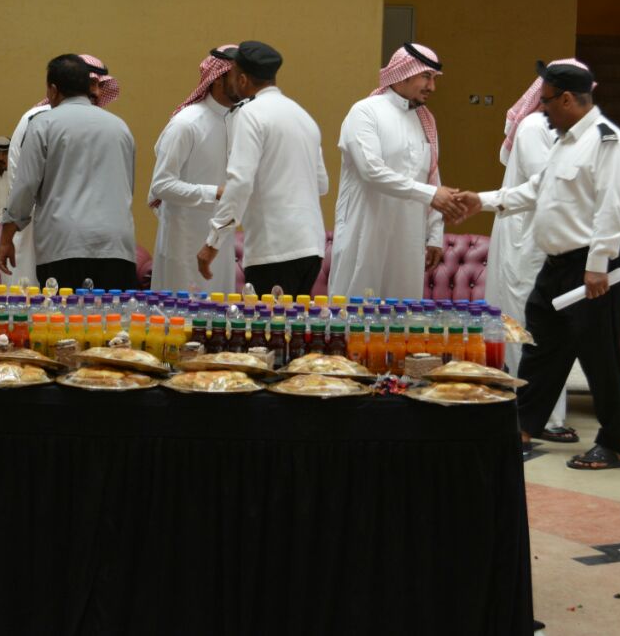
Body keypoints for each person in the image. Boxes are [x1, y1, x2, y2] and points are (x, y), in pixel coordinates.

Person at [455, 60, 620, 470]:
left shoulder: (608, 143)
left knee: (599, 356)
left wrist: (597, 265)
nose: (543, 109)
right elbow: (535, 190)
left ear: (568, 99)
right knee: (540, 348)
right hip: (558, 266)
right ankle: (522, 429)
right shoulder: (567, 142)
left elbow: (613, 207)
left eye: (548, 101)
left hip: (593, 267)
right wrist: (482, 200)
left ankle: (616, 445)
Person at [484, 62, 590, 445]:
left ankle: (539, 414)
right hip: (525, 241)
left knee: (544, 333)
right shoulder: (533, 127)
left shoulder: (571, 132)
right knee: (524, 329)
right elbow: (547, 184)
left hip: (546, 240)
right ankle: (533, 415)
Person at [328, 43, 460, 300]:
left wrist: (434, 236)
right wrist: (430, 194)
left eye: (434, 79)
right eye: (426, 77)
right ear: (403, 74)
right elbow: (372, 171)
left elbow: (432, 176)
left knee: (402, 317)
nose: (432, 87)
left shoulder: (424, 120)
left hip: (408, 243)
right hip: (364, 237)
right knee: (356, 315)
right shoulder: (365, 112)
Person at [197, 41, 328, 297]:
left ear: (242, 79)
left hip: (273, 251)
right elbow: (322, 185)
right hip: (311, 248)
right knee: (292, 323)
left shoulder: (250, 114)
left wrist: (213, 242)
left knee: (265, 324)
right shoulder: (303, 116)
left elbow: (240, 182)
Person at [0, 54, 137, 291]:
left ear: (53, 90)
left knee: (64, 315)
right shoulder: (121, 127)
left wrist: (6, 238)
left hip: (64, 246)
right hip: (117, 246)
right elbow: (127, 189)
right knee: (112, 315)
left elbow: (25, 187)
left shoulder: (43, 123)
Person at [148, 45, 239, 294]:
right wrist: (215, 192)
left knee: (220, 313)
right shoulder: (186, 123)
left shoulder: (240, 122)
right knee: (181, 314)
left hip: (220, 242)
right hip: (184, 243)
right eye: (238, 76)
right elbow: (161, 185)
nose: (244, 83)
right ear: (218, 78)